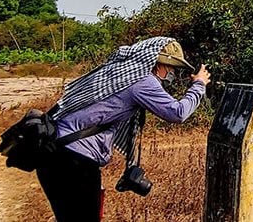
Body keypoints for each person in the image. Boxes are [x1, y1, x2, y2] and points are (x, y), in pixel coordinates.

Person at [35, 36, 210, 222]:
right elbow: (177, 113)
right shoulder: (142, 81)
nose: (173, 73)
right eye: (171, 68)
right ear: (158, 64)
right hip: (73, 160)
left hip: (53, 152)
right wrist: (198, 85)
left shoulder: (119, 74)